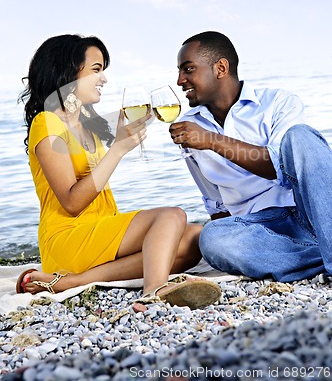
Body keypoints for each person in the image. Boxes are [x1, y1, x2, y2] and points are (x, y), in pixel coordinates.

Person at [16, 34, 221, 309]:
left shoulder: (89, 127)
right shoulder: (47, 122)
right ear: (68, 72)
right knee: (171, 215)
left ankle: (74, 281)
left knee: (194, 237)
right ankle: (155, 289)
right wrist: (118, 149)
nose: (104, 79)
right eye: (96, 70)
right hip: (68, 237)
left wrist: (122, 138)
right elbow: (72, 202)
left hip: (97, 231)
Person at [169, 31, 332, 283]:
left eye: (188, 69)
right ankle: (320, 256)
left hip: (310, 213)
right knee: (211, 239)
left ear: (221, 68)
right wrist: (230, 240)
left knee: (300, 136)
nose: (180, 80)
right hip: (258, 230)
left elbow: (276, 167)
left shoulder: (278, 102)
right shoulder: (189, 127)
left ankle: (310, 253)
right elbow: (215, 202)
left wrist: (211, 140)